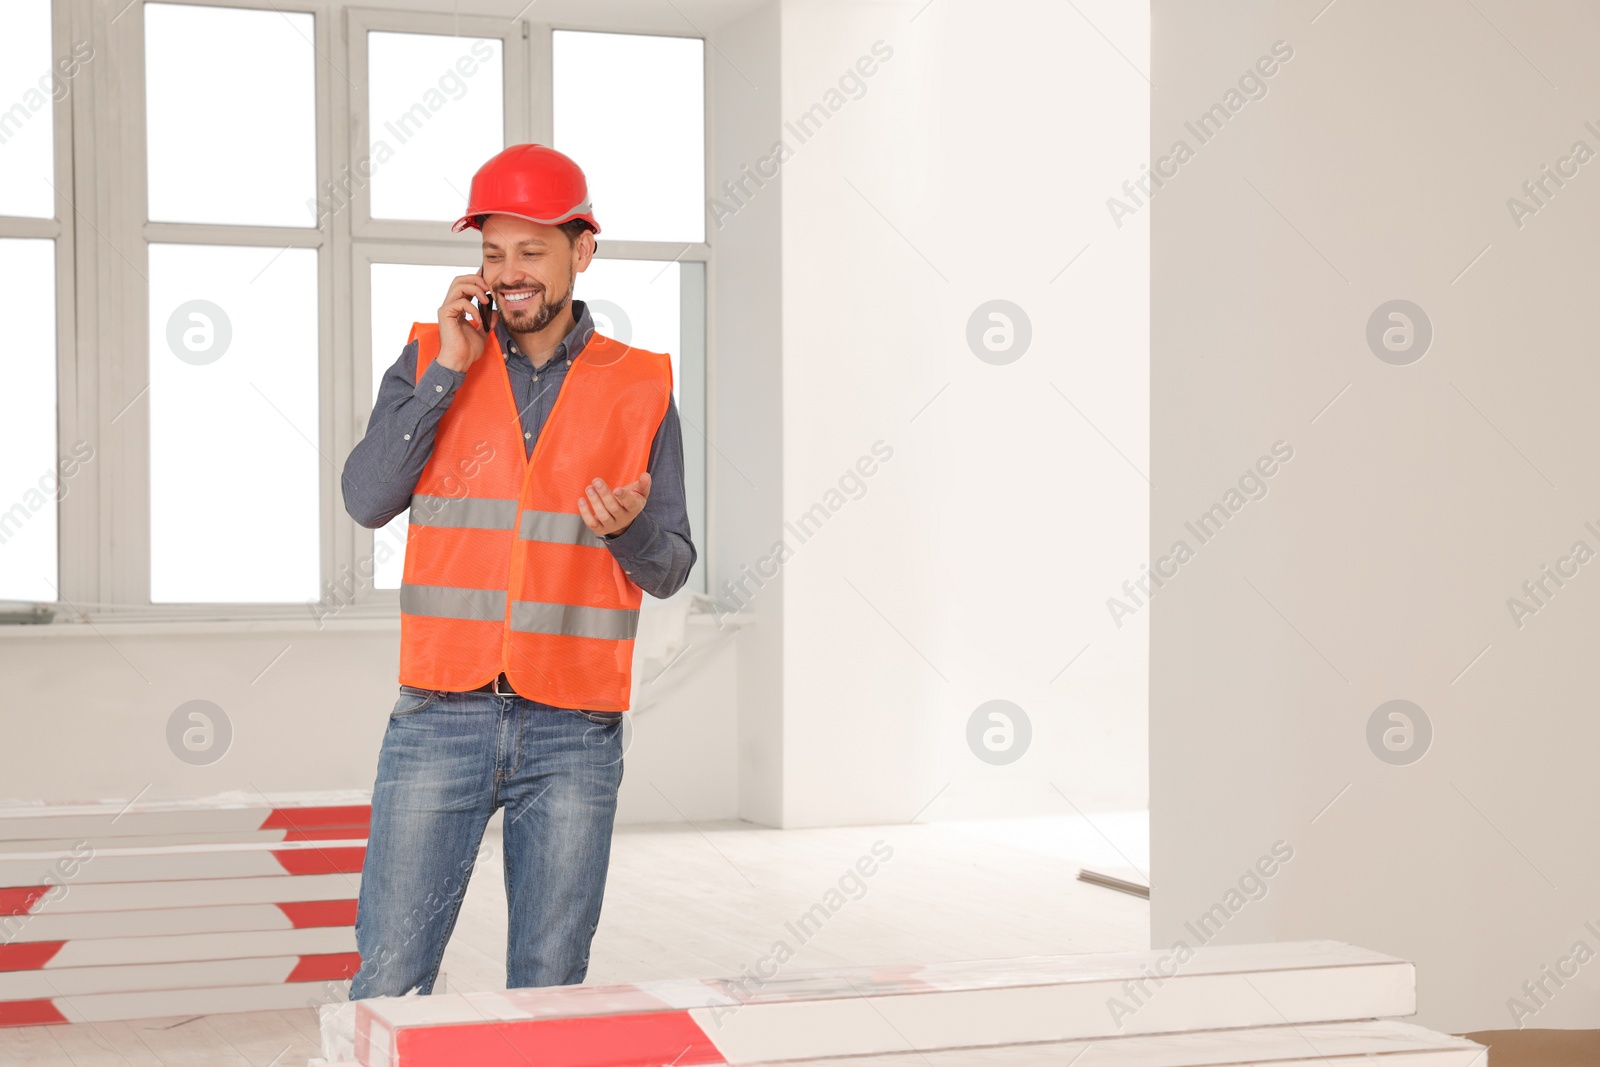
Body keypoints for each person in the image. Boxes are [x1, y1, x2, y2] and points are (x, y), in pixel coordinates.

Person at [340, 143, 696, 998]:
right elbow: (366, 496)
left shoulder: (639, 385)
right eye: (493, 253)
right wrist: (445, 375)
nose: (509, 274)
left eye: (531, 251)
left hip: (574, 729)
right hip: (440, 715)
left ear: (583, 251)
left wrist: (630, 531)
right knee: (390, 974)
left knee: (548, 987)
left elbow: (673, 564)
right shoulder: (432, 354)